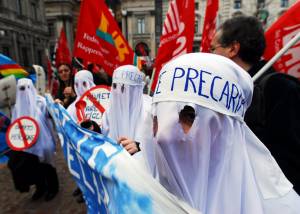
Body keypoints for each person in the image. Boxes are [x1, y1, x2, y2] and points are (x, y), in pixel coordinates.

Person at [147, 52, 300, 213]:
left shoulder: (283, 209)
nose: (164, 136)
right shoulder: (136, 196)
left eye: (190, 116)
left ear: (226, 129)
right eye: (159, 117)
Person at [210, 15, 300, 193]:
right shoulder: (228, 89)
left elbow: (289, 159)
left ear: (233, 49)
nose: (211, 54)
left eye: (213, 48)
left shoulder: (279, 88)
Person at [7, 78, 59, 201]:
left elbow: (50, 114)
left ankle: (53, 188)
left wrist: (54, 105)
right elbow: (15, 125)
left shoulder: (41, 102)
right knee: (33, 167)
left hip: (43, 141)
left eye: (26, 88)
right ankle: (40, 188)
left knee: (47, 165)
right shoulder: (17, 107)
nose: (24, 91)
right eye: (21, 88)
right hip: (27, 144)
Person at [102, 65, 152, 157]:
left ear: (135, 90)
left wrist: (139, 147)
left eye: (122, 88)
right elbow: (104, 139)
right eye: (115, 86)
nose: (117, 92)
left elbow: (159, 146)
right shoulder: (109, 112)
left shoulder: (150, 111)